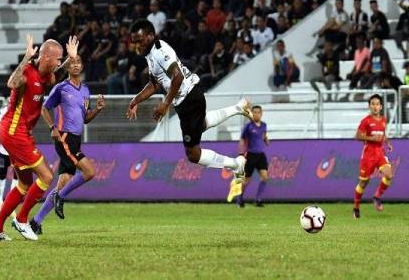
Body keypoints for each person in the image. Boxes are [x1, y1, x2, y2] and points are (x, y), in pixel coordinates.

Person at [126, 19, 249, 179]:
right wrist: (135, 100)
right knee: (201, 124)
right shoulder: (150, 54)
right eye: (134, 42)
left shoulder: (159, 50)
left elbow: (177, 77)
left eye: (140, 41)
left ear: (150, 36)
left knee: (193, 154)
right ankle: (238, 108)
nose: (137, 46)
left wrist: (165, 104)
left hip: (189, 98)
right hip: (189, 99)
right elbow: (154, 84)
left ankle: (236, 164)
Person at [0, 35, 78, 242]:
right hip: (13, 131)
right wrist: (26, 57)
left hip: (19, 133)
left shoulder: (46, 75)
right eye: (56, 59)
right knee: (46, 176)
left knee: (24, 184)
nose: (57, 63)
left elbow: (58, 73)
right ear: (45, 57)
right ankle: (21, 219)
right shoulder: (27, 71)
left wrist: (70, 59)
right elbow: (12, 82)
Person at [30, 54, 105, 235]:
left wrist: (97, 109)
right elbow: (43, 107)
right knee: (89, 171)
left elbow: (85, 119)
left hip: (76, 139)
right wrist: (52, 127)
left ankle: (36, 221)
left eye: (79, 62)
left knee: (63, 182)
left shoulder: (85, 90)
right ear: (68, 67)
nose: (76, 65)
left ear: (82, 66)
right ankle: (60, 198)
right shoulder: (61, 88)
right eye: (72, 63)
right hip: (64, 137)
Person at [353, 94, 394, 219]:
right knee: (364, 183)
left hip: (380, 153)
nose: (375, 106)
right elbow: (357, 136)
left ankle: (376, 196)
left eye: (377, 104)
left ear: (381, 106)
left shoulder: (383, 120)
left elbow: (382, 133)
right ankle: (356, 208)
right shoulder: (366, 121)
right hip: (368, 156)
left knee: (389, 174)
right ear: (369, 106)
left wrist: (387, 142)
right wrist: (371, 138)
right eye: (372, 104)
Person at [234, 105, 269, 207]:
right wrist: (241, 153)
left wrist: (266, 140)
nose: (256, 114)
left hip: (260, 155)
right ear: (251, 114)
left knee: (265, 177)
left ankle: (258, 199)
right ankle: (240, 198)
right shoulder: (248, 127)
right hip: (251, 155)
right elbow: (242, 140)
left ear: (261, 113)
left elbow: (264, 136)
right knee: (246, 180)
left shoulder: (264, 125)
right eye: (254, 112)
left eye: (258, 112)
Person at [0, 101, 18, 218]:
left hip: (18, 149)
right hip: (5, 149)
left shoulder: (26, 108)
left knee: (17, 176)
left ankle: (10, 205)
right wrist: (8, 126)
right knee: (2, 175)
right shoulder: (5, 108)